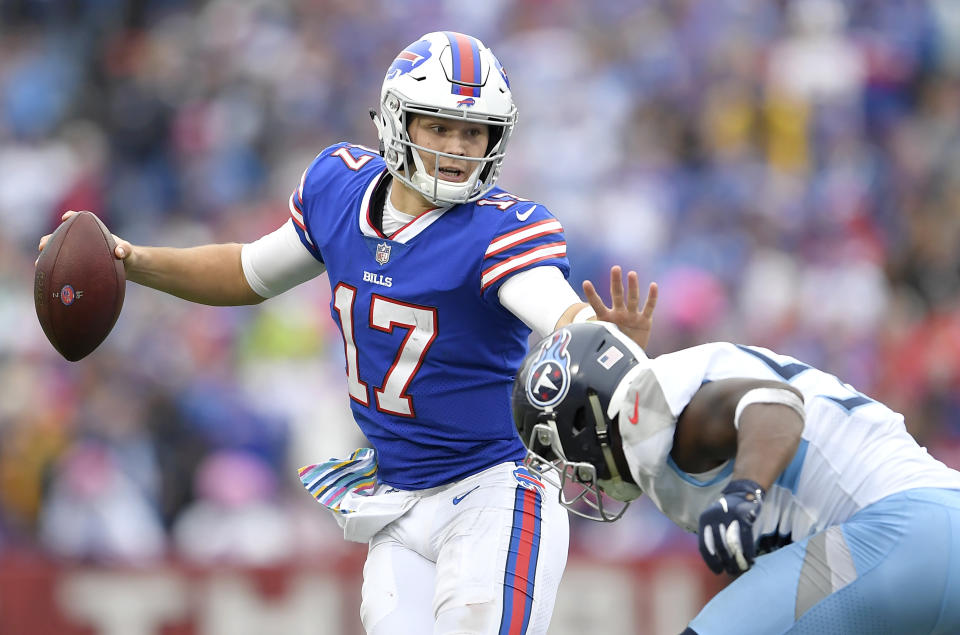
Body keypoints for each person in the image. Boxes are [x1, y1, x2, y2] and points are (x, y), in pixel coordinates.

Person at [39, 32, 657, 634]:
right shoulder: (339, 189)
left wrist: (598, 335)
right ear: (397, 122)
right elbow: (246, 271)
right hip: (396, 501)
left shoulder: (500, 230)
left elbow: (556, 310)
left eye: (473, 132)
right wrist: (133, 259)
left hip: (497, 489)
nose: (458, 146)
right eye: (439, 126)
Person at [512, 321, 960, 635]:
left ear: (588, 420)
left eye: (562, 451)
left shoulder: (655, 412)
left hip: (894, 533)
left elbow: (775, 405)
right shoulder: (662, 405)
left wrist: (744, 491)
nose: (571, 471)